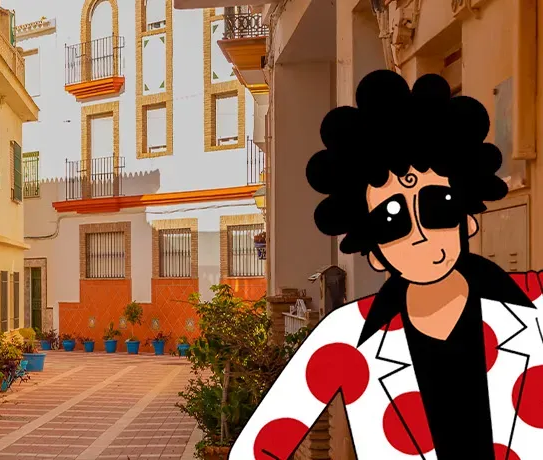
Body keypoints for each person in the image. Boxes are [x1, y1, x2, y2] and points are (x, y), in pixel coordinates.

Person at [229, 69, 540, 459]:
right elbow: (260, 445)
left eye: (437, 206)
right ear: (374, 252)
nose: (420, 232)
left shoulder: (536, 307)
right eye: (392, 221)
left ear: (468, 218)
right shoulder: (345, 339)